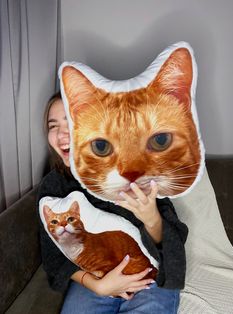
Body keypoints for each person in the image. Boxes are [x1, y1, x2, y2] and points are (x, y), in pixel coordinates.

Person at [37, 91, 188, 314]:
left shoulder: (137, 171)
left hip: (151, 273)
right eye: (52, 126)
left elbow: (172, 243)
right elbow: (54, 254)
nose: (61, 134)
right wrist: (98, 285)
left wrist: (151, 218)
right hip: (96, 277)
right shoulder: (53, 187)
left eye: (70, 121)